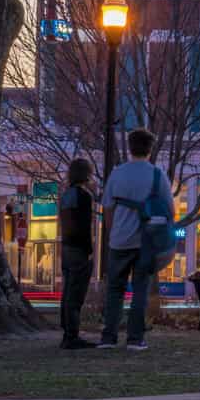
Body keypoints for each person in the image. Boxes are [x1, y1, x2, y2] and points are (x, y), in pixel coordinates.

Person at [101, 127, 168, 351]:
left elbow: (107, 208)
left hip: (119, 240)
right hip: (146, 243)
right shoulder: (158, 175)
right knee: (140, 290)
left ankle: (108, 337)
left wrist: (112, 233)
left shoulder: (117, 174)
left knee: (114, 290)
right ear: (150, 149)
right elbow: (169, 211)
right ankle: (135, 338)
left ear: (129, 147)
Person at [56, 158, 97, 349]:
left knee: (67, 292)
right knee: (76, 294)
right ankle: (72, 335)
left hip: (66, 248)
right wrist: (89, 250)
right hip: (79, 250)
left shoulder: (65, 196)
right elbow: (85, 227)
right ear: (86, 174)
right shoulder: (84, 196)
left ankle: (67, 332)